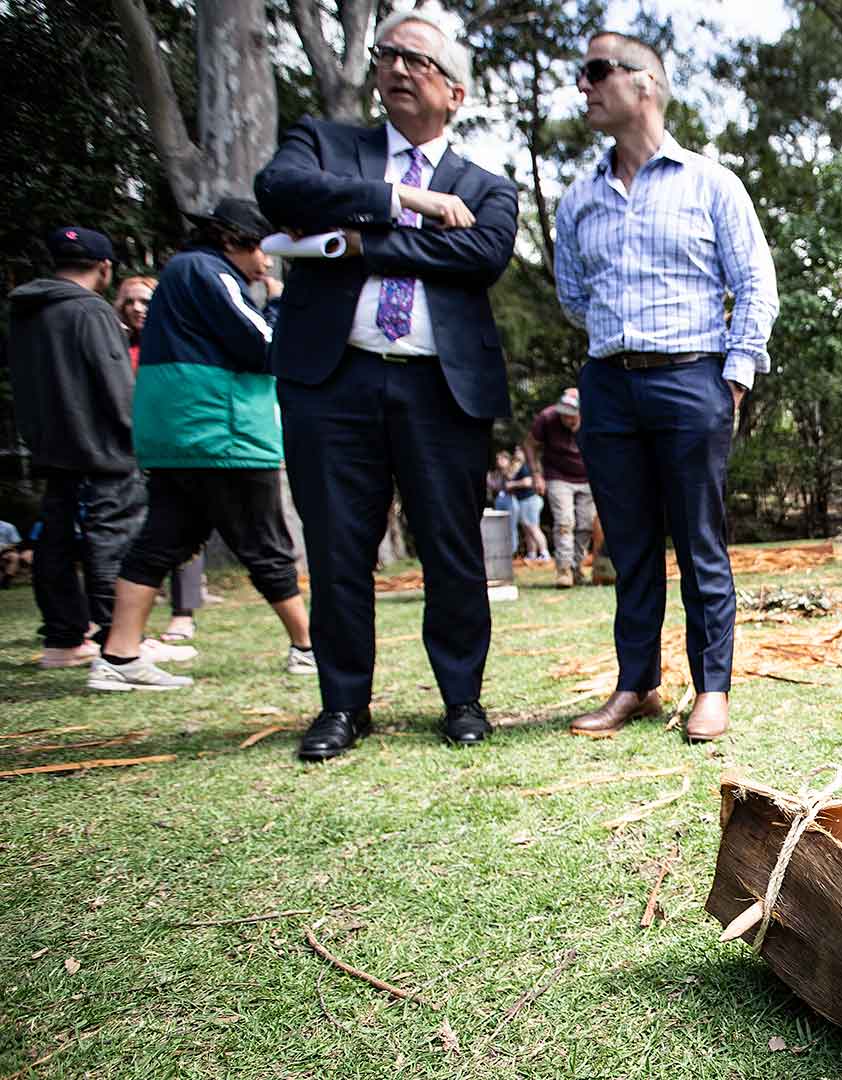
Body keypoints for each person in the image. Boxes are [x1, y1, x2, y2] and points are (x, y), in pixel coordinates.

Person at [255, 6, 519, 759]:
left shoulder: (487, 185)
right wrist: (401, 202)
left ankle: (462, 697)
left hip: (442, 390)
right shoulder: (328, 145)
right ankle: (343, 704)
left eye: (419, 61)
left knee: (452, 547)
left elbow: (482, 256)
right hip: (332, 382)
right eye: (388, 55)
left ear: (456, 93)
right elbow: (279, 190)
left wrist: (357, 243)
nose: (399, 70)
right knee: (339, 545)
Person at [554, 31, 778, 743]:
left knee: (700, 541)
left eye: (596, 71)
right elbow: (572, 296)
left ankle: (712, 687)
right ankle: (638, 685)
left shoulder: (711, 183)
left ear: (644, 82)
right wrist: (617, 350)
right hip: (610, 388)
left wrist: (734, 378)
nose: (583, 85)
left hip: (693, 381)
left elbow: (755, 286)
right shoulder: (578, 198)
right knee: (629, 544)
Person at [86, 197, 317, 692]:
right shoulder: (208, 273)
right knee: (264, 540)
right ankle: (308, 646)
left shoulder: (183, 274)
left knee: (162, 539)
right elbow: (265, 345)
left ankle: (119, 655)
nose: (266, 263)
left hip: (182, 430)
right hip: (219, 430)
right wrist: (277, 302)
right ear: (234, 241)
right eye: (262, 250)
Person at [8, 226, 147, 669]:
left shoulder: (27, 311)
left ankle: (64, 639)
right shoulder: (91, 311)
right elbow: (116, 387)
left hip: (52, 447)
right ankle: (117, 640)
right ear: (105, 268)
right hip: (102, 450)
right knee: (111, 539)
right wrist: (140, 433)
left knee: (57, 539)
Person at [118, 273, 204, 643]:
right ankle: (124, 632)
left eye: (146, 302)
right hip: (126, 448)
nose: (138, 309)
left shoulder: (181, 341)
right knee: (135, 535)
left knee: (182, 527)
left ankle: (182, 613)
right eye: (130, 301)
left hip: (174, 447)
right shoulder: (118, 346)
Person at [524, 386, 595, 588]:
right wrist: (536, 474)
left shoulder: (593, 416)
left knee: (586, 525)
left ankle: (576, 568)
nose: (567, 419)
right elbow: (529, 444)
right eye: (564, 415)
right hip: (558, 476)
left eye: (572, 416)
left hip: (588, 478)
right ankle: (563, 570)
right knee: (565, 522)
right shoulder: (547, 418)